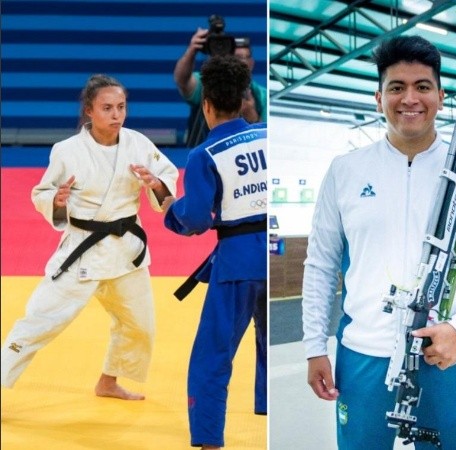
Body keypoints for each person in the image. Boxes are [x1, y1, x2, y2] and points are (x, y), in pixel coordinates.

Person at [302, 35, 456, 449]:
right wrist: (314, 346)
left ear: (440, 95)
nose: (410, 99)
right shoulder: (345, 170)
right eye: (397, 87)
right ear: (378, 97)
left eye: (422, 86)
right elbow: (322, 264)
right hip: (363, 355)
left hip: (444, 352)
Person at [0, 74, 178, 400]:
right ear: (89, 111)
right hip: (83, 250)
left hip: (125, 250)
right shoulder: (67, 150)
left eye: (121, 107)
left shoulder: (138, 143)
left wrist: (155, 183)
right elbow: (43, 190)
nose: (116, 115)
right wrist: (56, 201)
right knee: (40, 320)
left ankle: (108, 382)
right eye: (107, 108)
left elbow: (167, 176)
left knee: (140, 327)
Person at [164, 54, 267, 450]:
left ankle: (209, 443)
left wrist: (170, 207)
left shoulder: (203, 156)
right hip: (272, 254)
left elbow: (194, 220)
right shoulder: (267, 135)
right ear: (245, 100)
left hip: (237, 265)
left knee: (212, 359)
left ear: (205, 104)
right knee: (269, 346)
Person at [174, 24, 266, 147]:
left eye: (244, 57)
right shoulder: (208, 83)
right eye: (236, 57)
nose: (240, 62)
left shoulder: (263, 96)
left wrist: (253, 118)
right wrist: (192, 50)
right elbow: (182, 80)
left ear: (252, 62)